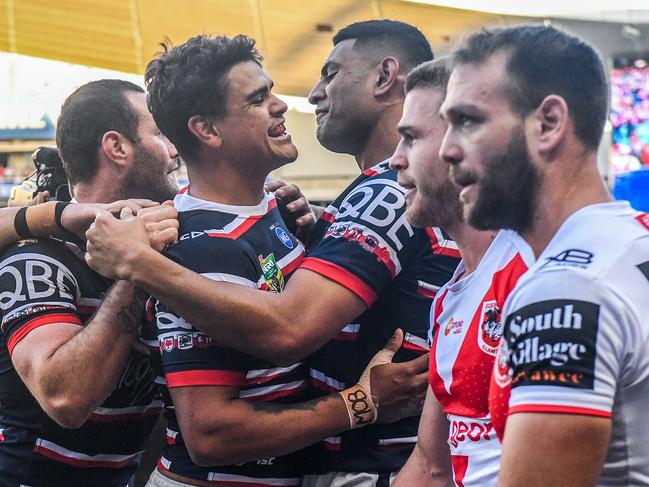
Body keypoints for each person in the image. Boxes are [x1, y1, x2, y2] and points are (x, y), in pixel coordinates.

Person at [84, 20, 460, 486]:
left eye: (330, 74)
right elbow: (210, 434)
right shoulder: (195, 242)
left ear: (386, 77)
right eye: (258, 99)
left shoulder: (288, 215)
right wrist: (358, 405)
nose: (292, 102)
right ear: (206, 130)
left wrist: (320, 226)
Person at [439, 25, 649, 485]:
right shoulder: (629, 241)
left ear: (549, 123)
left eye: (468, 120)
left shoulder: (564, 288)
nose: (447, 149)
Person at [0, 79, 180, 487]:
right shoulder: (38, 258)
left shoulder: (178, 238)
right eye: (160, 134)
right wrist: (137, 266)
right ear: (117, 146)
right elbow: (66, 397)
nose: (174, 149)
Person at [388, 59, 535, 487]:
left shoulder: (533, 270)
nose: (396, 160)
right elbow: (431, 465)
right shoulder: (450, 299)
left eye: (411, 138)